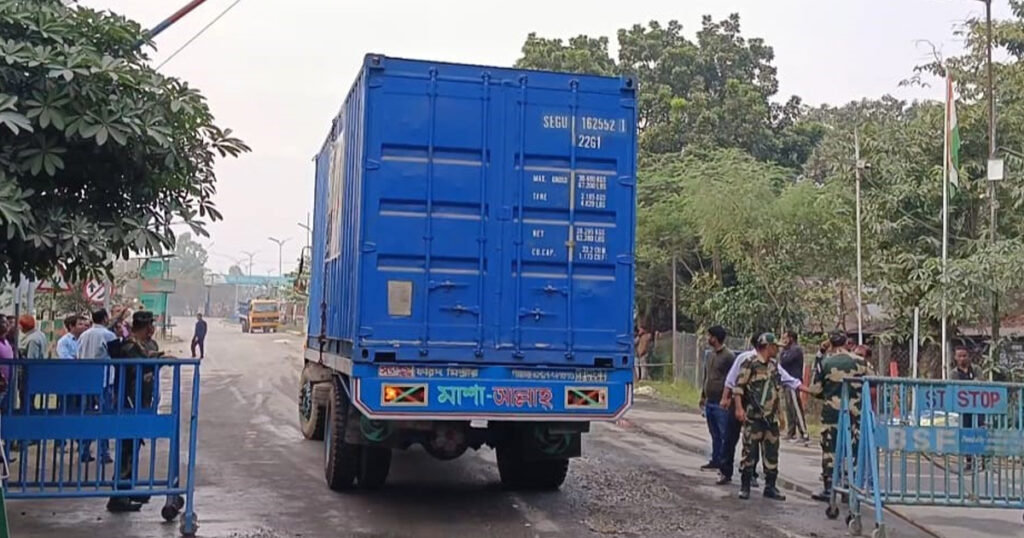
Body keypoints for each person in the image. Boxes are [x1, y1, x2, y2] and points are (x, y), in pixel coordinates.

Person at [733, 333, 811, 501]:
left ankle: (770, 486)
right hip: (753, 417)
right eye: (775, 347)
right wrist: (739, 409)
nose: (777, 350)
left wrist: (781, 415)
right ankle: (745, 485)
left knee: (772, 454)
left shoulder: (774, 366)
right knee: (749, 452)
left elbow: (784, 384)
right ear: (767, 346)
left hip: (771, 419)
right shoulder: (751, 364)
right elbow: (738, 388)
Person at [108, 311, 162, 513]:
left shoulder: (144, 344)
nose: (152, 329)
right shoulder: (129, 346)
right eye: (150, 325)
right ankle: (118, 496)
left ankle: (126, 489)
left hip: (141, 403)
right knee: (127, 448)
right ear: (146, 325)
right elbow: (146, 360)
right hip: (128, 402)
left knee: (134, 447)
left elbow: (152, 355)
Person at [809, 331, 869, 502]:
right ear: (846, 342)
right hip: (855, 413)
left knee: (830, 450)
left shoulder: (826, 363)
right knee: (853, 449)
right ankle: (852, 487)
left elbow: (815, 389)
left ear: (830, 343)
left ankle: (829, 487)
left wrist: (820, 355)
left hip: (833, 413)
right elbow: (872, 381)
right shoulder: (860, 361)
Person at [77, 309, 119, 464]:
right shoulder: (108, 335)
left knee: (86, 415)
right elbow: (117, 356)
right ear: (105, 318)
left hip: (85, 380)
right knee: (104, 416)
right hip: (104, 381)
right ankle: (104, 452)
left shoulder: (83, 335)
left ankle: (84, 450)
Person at [699, 326, 735, 473]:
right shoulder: (710, 355)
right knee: (714, 433)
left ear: (716, 338)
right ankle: (715, 459)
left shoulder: (728, 356)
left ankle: (724, 463)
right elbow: (706, 376)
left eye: (710, 336)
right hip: (710, 400)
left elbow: (732, 379)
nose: (708, 339)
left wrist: (728, 398)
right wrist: (703, 395)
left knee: (724, 433)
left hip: (721, 402)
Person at [952, 346, 983, 469]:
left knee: (980, 431)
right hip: (964, 409)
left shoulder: (976, 369)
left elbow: (981, 382)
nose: (962, 358)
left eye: (964, 355)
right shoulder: (954, 373)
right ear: (955, 358)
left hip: (978, 407)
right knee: (966, 433)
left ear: (968, 356)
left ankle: (983, 460)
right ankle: (969, 461)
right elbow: (955, 388)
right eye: (959, 356)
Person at [779, 331, 810, 444]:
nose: (783, 341)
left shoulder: (795, 350)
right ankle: (791, 432)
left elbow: (784, 361)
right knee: (789, 409)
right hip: (786, 382)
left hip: (793, 382)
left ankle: (804, 432)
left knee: (796, 408)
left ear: (791, 338)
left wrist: (783, 350)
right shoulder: (786, 350)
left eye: (785, 338)